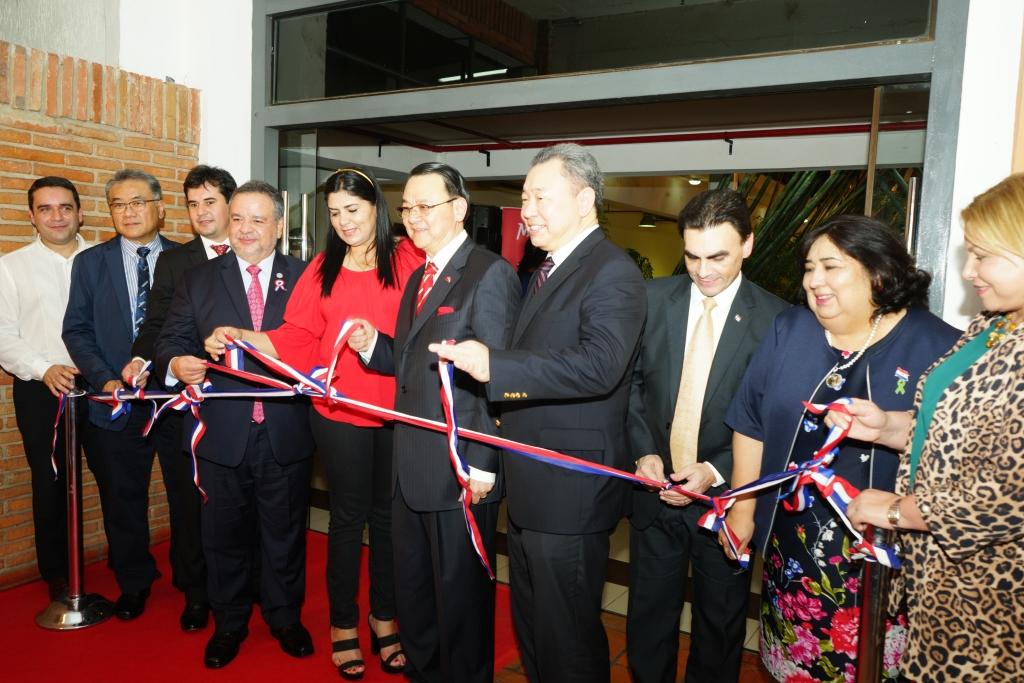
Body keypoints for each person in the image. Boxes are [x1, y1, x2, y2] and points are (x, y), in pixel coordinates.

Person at [433, 143, 647, 683]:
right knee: (535, 628)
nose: (526, 210)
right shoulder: (546, 271)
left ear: (584, 199)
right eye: (524, 197)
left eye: (539, 197)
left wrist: (496, 367)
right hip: (534, 482)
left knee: (567, 637)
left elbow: (600, 365)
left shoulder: (611, 271)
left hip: (570, 487)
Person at [203, 166, 422, 679]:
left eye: (354, 210)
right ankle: (343, 624)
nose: (344, 222)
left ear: (376, 209)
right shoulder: (322, 268)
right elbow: (293, 336)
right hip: (340, 412)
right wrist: (240, 334)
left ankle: (384, 617)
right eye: (335, 213)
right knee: (348, 520)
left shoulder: (410, 259)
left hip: (398, 412)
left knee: (391, 521)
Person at [722, 215, 960, 682]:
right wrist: (742, 509)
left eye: (831, 267)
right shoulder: (789, 330)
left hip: (888, 563)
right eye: (809, 268)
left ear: (878, 271)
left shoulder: (938, 347)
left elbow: (955, 460)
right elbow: (751, 421)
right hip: (792, 553)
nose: (814, 281)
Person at [843, 174, 1024, 681]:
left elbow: (1008, 496)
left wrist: (899, 510)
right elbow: (948, 430)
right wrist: (885, 427)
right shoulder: (992, 326)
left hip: (992, 596)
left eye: (984, 255)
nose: (969, 271)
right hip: (941, 580)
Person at [346, 162, 520, 683]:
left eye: (427, 206)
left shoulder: (489, 274)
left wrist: (485, 463)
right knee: (416, 598)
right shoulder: (419, 276)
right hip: (409, 468)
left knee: (461, 605)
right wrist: (374, 346)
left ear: (459, 209)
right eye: (407, 208)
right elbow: (413, 364)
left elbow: (499, 374)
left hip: (458, 473)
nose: (414, 218)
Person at [626, 189, 788, 683]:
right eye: (693, 256)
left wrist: (716, 468)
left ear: (748, 245)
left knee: (719, 628)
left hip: (727, 503)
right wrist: (644, 451)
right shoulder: (652, 300)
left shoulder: (779, 321)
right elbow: (631, 385)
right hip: (656, 497)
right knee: (649, 619)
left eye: (717, 255)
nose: (703, 270)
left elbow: (774, 419)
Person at [155, 181, 314, 669]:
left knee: (285, 531)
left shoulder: (307, 277)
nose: (245, 229)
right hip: (220, 434)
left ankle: (285, 617)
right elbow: (169, 342)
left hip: (286, 430)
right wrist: (178, 362)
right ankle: (229, 623)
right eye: (238, 218)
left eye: (258, 220)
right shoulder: (200, 278)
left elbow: (318, 347)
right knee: (222, 534)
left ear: (279, 226)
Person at [62, 169, 203, 623]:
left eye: (138, 202)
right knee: (122, 498)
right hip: (116, 402)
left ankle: (192, 580)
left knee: (187, 496)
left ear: (160, 207)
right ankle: (134, 583)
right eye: (119, 204)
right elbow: (77, 330)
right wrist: (105, 380)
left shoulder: (189, 260)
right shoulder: (90, 262)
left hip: (175, 402)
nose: (129, 212)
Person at [119, 164, 238, 632]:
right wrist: (140, 362)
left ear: (230, 203)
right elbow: (158, 324)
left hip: (244, 403)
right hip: (186, 403)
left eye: (210, 201)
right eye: (192, 204)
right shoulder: (174, 261)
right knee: (187, 501)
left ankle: (244, 582)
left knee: (237, 502)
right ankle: (195, 592)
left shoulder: (260, 251)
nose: (201, 212)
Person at [0, 176, 91, 601]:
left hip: (103, 384)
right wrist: (43, 369)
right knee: (50, 482)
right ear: (32, 216)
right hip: (42, 389)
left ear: (79, 211)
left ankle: (127, 564)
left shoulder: (102, 259)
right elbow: (4, 335)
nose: (57, 216)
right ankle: (56, 572)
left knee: (115, 476)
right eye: (46, 208)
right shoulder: (11, 266)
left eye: (65, 207)